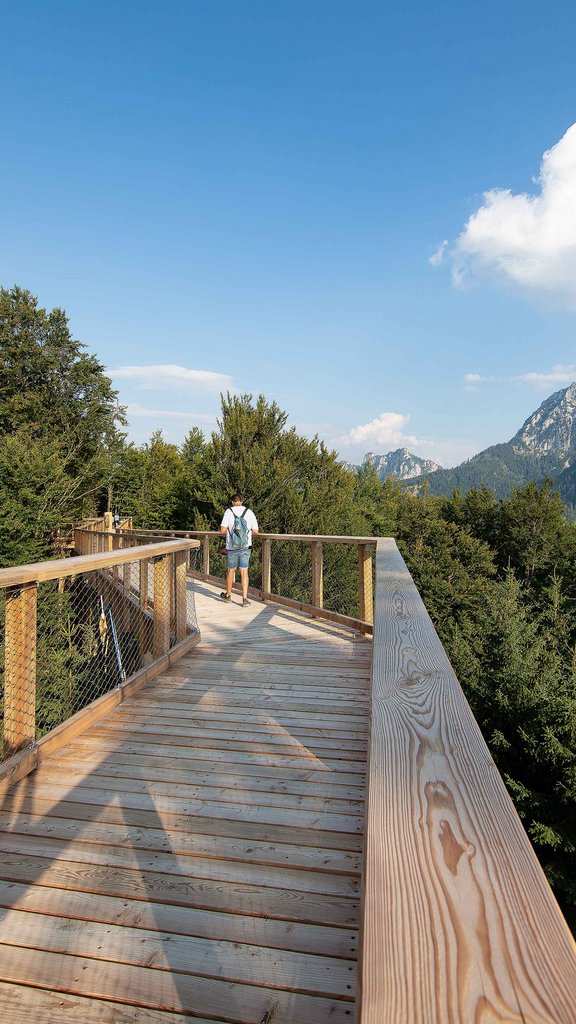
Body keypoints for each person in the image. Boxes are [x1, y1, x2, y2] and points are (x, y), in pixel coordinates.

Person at [220, 494, 258, 606]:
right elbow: (256, 531)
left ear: (232, 502)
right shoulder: (249, 512)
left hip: (232, 547)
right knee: (244, 571)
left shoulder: (228, 512)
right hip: (245, 546)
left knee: (231, 570)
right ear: (242, 501)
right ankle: (245, 599)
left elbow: (222, 530)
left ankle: (228, 595)